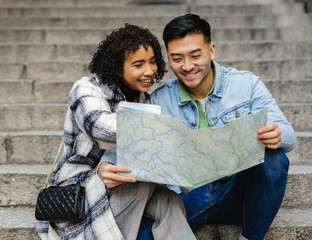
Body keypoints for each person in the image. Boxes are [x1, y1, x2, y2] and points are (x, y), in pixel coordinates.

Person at [100, 14, 297, 240]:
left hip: (238, 193)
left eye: (195, 55)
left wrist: (277, 134)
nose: (187, 66)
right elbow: (129, 146)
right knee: (142, 233)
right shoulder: (159, 100)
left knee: (274, 158)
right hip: (187, 198)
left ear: (211, 51)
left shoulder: (247, 85)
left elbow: (289, 135)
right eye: (177, 58)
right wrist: (106, 165)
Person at [36, 24, 196, 240]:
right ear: (118, 69)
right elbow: (100, 127)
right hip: (78, 196)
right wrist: (165, 132)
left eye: (152, 61)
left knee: (170, 201)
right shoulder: (86, 90)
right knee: (136, 182)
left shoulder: (143, 99)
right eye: (138, 64)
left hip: (120, 185)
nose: (149, 71)